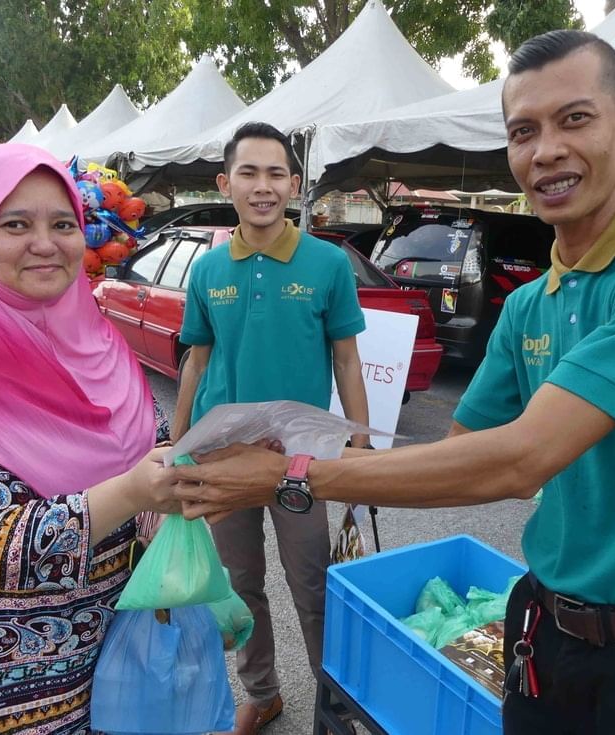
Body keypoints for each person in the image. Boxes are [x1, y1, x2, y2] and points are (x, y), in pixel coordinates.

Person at [175, 31, 615, 735]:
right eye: (523, 130)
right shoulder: (527, 306)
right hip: (549, 635)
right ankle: (266, 690)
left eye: (574, 118)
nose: (545, 149)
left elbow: (522, 458)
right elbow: (464, 456)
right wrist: (317, 466)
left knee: (310, 589)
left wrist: (288, 474)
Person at [0, 143, 182, 733]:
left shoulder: (101, 345)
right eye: (15, 224)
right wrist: (133, 492)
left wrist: (169, 503)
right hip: (4, 692)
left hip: (112, 668)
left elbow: (147, 449)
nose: (46, 243)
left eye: (63, 224)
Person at [172, 121, 371, 734]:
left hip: (299, 459)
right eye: (249, 173)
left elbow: (346, 358)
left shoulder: (327, 263)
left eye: (276, 173)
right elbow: (196, 362)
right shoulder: (206, 271)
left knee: (314, 587)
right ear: (224, 181)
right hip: (223, 458)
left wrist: (358, 446)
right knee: (239, 587)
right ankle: (262, 693)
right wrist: (177, 448)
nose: (263, 186)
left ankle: (332, 707)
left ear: (294, 183)